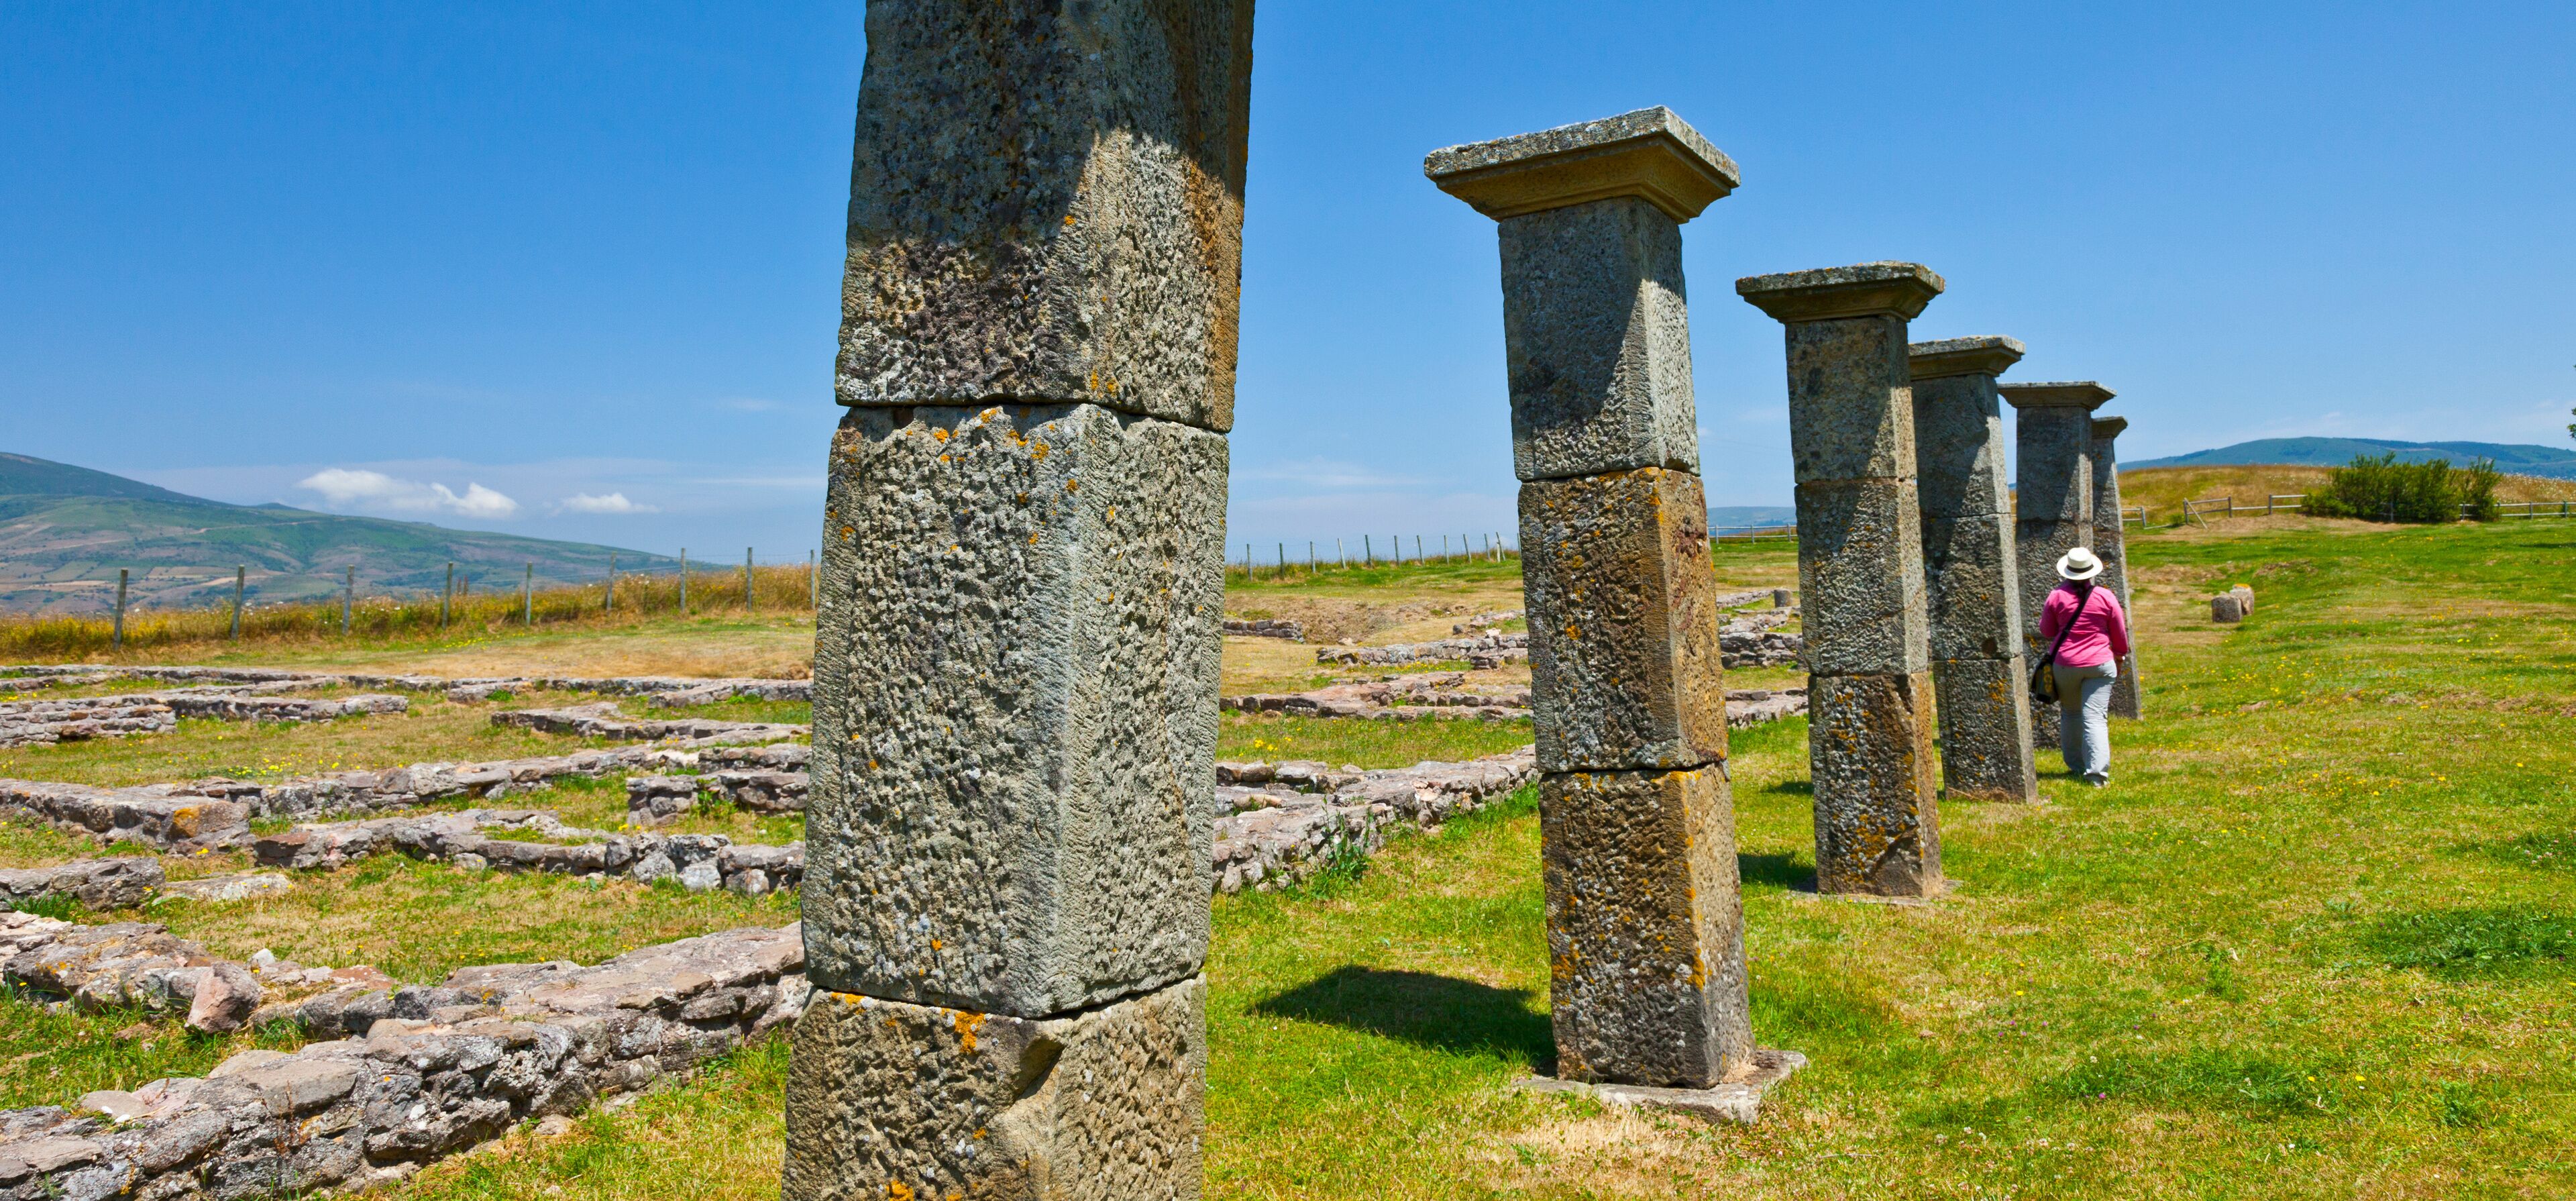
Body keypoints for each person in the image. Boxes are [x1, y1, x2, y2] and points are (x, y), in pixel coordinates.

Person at [2038, 546, 2131, 786]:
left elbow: (2047, 631)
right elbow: (2119, 632)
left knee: (2071, 713)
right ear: (2091, 572)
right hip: (2100, 663)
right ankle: (2097, 775)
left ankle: (2077, 766)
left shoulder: (2056, 596)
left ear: (2068, 571)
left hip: (2066, 664)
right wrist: (2120, 654)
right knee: (2096, 717)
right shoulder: (2105, 596)